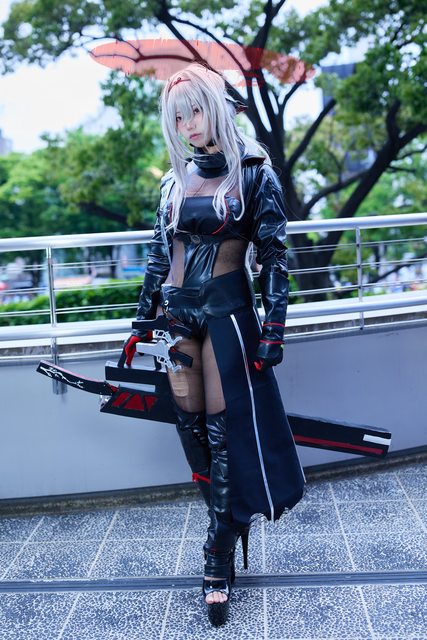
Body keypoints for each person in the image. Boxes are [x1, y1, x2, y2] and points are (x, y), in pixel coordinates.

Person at [123, 62, 305, 626]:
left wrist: (274, 326)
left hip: (226, 315)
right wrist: (140, 321)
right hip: (176, 316)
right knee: (190, 428)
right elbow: (159, 256)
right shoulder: (172, 181)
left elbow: (274, 256)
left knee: (224, 433)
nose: (188, 125)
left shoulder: (254, 173)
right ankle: (227, 522)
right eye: (178, 118)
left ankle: (217, 551)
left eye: (195, 111)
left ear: (217, 108)